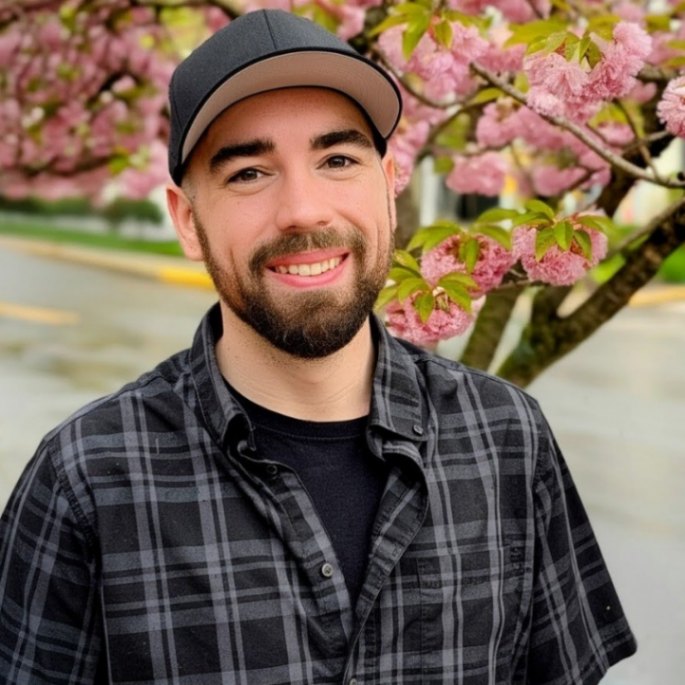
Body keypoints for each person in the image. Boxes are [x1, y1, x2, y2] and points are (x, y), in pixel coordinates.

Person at [0, 9, 636, 685]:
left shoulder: (506, 437)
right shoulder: (86, 480)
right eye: (249, 173)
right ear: (187, 220)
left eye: (337, 160)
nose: (303, 210)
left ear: (388, 186)